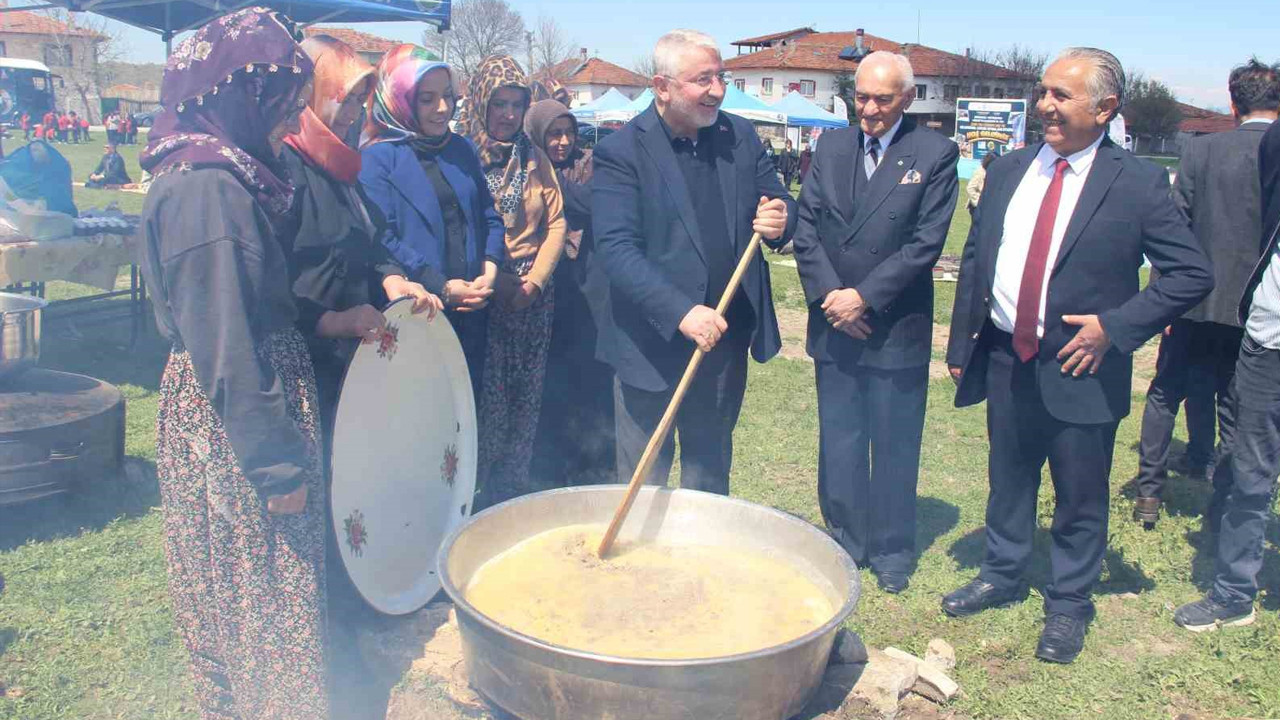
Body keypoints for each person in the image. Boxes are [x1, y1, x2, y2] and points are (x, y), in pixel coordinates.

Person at [944, 47, 1212, 664]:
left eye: (1061, 96)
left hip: (1082, 367)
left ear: (1106, 108)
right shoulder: (1010, 168)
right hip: (1011, 357)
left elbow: (1191, 274)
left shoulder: (1139, 182)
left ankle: (1068, 604)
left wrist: (1115, 328)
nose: (1045, 106)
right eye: (1044, 93)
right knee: (1008, 479)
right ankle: (1002, 572)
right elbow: (980, 261)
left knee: (1079, 495)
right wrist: (964, 343)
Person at [137, 9, 330, 718]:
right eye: (283, 105)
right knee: (262, 593)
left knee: (251, 595)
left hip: (242, 407)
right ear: (238, 97)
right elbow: (227, 343)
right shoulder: (207, 191)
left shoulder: (227, 176)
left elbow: (254, 303)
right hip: (238, 423)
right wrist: (278, 469)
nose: (293, 122)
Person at [592, 29, 796, 495]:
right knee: (644, 481)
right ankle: (641, 569)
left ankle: (701, 567)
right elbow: (617, 250)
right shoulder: (621, 152)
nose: (718, 90)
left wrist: (781, 216)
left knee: (709, 474)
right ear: (662, 87)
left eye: (720, 77)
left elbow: (782, 200)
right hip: (650, 345)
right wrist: (681, 311)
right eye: (703, 80)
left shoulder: (738, 135)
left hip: (722, 343)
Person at [791, 51, 959, 594]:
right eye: (861, 97)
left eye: (882, 100)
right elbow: (807, 227)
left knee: (893, 442)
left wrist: (863, 298)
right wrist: (830, 299)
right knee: (839, 439)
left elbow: (924, 244)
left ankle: (890, 547)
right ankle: (844, 538)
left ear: (907, 99)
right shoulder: (832, 145)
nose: (869, 109)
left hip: (893, 325)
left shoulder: (934, 153)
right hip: (833, 321)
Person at [1134, 60, 1280, 529]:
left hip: (1193, 302)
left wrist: (1162, 302)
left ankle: (1149, 495)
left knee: (1163, 395)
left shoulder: (1201, 152)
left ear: (1233, 102)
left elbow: (1172, 233)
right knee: (1237, 407)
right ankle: (1223, 504)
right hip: (1256, 309)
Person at [1173, 88, 1280, 633]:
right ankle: (1235, 589)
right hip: (1268, 337)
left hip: (1246, 324)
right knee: (1249, 462)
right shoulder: (1272, 149)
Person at [359, 45, 505, 396]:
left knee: (464, 415)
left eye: (448, 97)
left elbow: (489, 215)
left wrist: (490, 267)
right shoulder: (377, 157)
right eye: (427, 99)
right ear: (400, 98)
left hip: (473, 308)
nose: (443, 109)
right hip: (420, 309)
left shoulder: (461, 148)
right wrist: (442, 286)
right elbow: (384, 239)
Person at [461, 56, 566, 508]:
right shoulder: (461, 156)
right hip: (480, 296)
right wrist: (501, 284)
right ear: (482, 103)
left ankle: (509, 492)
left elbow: (557, 223)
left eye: (516, 104)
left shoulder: (535, 158)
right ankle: (469, 494)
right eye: (499, 103)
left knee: (524, 395)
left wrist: (535, 283)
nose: (507, 114)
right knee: (482, 400)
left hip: (532, 299)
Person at [526, 98, 617, 488]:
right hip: (540, 293)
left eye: (568, 133)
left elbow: (593, 204)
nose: (562, 142)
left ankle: (594, 470)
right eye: (553, 134)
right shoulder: (522, 167)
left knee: (590, 382)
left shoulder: (592, 164)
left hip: (589, 293)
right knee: (548, 387)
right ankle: (547, 472)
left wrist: (551, 181)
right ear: (537, 135)